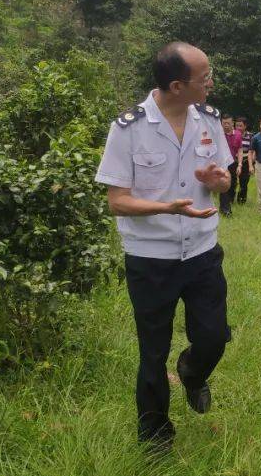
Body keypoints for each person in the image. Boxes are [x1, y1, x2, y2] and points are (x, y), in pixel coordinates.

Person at [94, 42, 233, 453]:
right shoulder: (128, 128)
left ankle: (192, 372)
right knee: (152, 351)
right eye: (203, 78)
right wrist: (166, 207)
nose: (210, 83)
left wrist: (218, 182)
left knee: (214, 337)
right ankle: (155, 434)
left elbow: (223, 178)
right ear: (176, 85)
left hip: (202, 252)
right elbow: (116, 201)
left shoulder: (208, 119)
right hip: (151, 258)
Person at [219, 114, 242, 216]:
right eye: (224, 123)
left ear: (232, 123)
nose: (226, 125)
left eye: (228, 123)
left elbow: (240, 150)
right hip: (221, 163)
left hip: (233, 163)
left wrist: (240, 164)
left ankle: (228, 202)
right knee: (224, 185)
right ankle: (226, 209)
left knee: (232, 185)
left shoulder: (237, 134)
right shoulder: (218, 134)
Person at [234, 116, 253, 205]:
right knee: (232, 181)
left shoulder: (250, 136)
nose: (238, 128)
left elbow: (253, 149)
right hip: (233, 161)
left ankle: (241, 201)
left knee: (244, 182)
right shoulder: (232, 134)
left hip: (246, 161)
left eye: (240, 126)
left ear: (245, 126)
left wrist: (252, 162)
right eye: (236, 125)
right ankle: (230, 198)